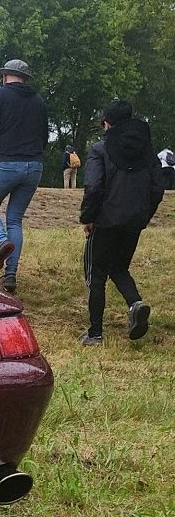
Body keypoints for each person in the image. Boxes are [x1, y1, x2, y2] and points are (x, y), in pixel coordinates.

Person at [79, 99, 165, 346]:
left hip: (104, 221)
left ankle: (95, 332)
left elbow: (93, 186)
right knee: (118, 268)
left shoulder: (100, 149)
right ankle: (135, 303)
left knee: (96, 275)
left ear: (107, 123)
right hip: (134, 222)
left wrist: (88, 217)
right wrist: (143, 215)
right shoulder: (148, 152)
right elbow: (157, 188)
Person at [0, 59, 49, 295]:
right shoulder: (38, 101)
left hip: (6, 162)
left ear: (5, 76)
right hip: (34, 165)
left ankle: (1, 241)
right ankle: (10, 274)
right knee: (15, 219)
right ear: (25, 78)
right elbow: (44, 135)